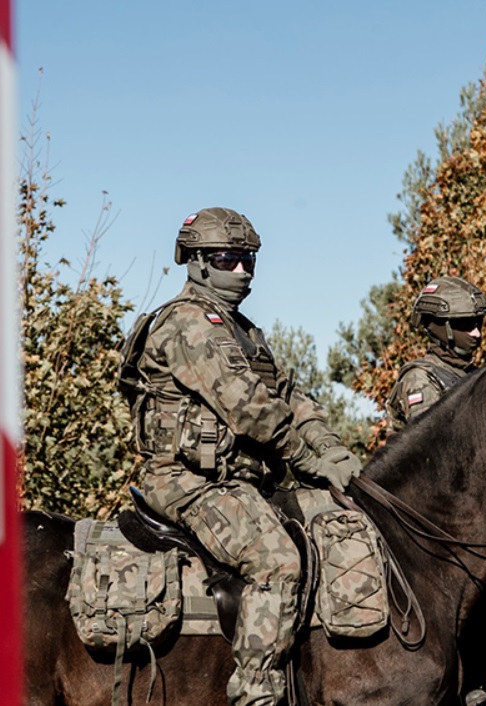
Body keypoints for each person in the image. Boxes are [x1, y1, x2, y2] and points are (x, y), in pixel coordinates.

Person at [119, 207, 363, 706]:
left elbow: (289, 397)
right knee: (277, 562)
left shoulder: (244, 331)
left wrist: (333, 449)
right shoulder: (188, 323)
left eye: (248, 259)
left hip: (244, 482)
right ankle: (256, 691)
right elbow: (250, 408)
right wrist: (307, 459)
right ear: (196, 262)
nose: (242, 270)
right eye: (227, 259)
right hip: (186, 480)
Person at [384, 276, 486, 431]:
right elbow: (431, 440)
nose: (476, 333)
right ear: (442, 328)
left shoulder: (473, 374)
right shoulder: (420, 379)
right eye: (467, 324)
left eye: (479, 324)